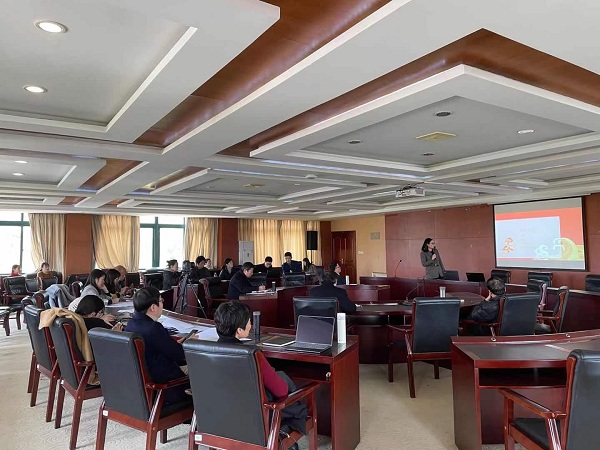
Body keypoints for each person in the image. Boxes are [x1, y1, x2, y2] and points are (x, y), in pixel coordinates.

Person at [214, 301, 308, 446]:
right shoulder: (252, 354)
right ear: (239, 330)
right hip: (255, 419)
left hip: (219, 416)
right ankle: (285, 439)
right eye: (248, 321)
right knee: (293, 402)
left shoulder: (202, 351)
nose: (250, 325)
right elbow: (281, 391)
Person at [125, 287, 189, 406]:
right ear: (153, 307)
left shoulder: (131, 324)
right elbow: (180, 355)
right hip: (165, 389)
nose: (162, 304)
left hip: (142, 388)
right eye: (161, 301)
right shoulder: (154, 328)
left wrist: (172, 344)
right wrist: (188, 344)